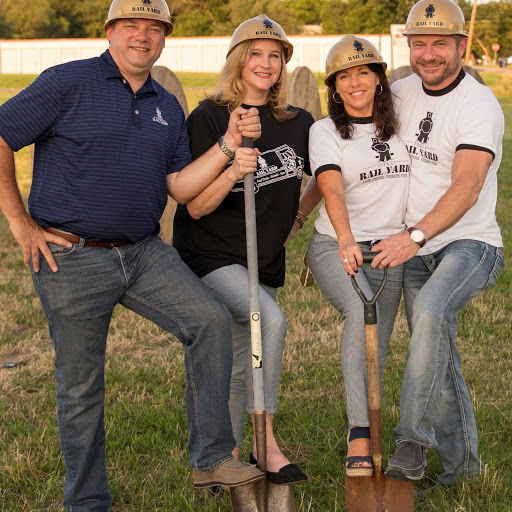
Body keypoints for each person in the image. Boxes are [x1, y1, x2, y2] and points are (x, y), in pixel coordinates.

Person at [0, 0, 266, 509]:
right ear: (110, 31)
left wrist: (229, 146)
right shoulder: (65, 83)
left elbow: (181, 187)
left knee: (209, 320)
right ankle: (88, 500)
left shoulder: (166, 103)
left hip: (144, 253)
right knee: (81, 387)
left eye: (154, 28)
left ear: (165, 37)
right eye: (131, 26)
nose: (143, 36)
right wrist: (20, 224)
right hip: (71, 257)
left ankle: (211, 456)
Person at [173, 15, 314, 484]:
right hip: (211, 256)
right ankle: (265, 443)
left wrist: (297, 216)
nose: (267, 63)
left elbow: (328, 173)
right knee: (266, 321)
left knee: (241, 356)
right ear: (238, 59)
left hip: (262, 260)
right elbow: (194, 208)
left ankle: (226, 456)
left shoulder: (298, 123)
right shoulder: (210, 116)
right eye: (256, 53)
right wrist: (233, 168)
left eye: (275, 55)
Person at [370, 0, 504, 486]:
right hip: (414, 245)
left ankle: (412, 437)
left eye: (440, 44)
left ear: (461, 46)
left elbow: (467, 187)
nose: (428, 54)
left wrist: (416, 236)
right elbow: (352, 141)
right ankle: (464, 469)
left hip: (468, 245)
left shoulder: (478, 105)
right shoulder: (401, 91)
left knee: (430, 313)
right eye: (419, 43)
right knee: (437, 353)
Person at [291, 35, 411, 477]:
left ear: (379, 79)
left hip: (391, 249)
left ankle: (382, 427)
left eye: (363, 71)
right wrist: (344, 238)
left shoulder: (402, 123)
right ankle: (360, 429)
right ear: (334, 87)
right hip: (334, 244)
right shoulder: (324, 131)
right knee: (362, 317)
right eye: (344, 76)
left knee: (376, 345)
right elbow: (330, 184)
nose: (355, 82)